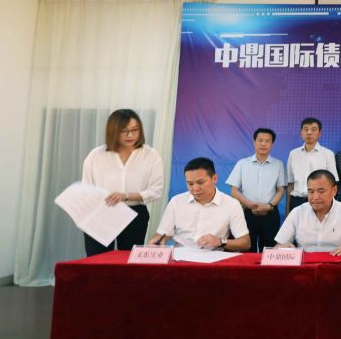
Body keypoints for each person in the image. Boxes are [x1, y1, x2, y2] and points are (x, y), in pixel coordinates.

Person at [81, 109, 164, 256]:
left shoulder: (151, 155)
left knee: (128, 261)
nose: (130, 135)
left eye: (134, 130)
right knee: (97, 261)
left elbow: (156, 190)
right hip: (100, 214)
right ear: (112, 131)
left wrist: (126, 196)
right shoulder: (96, 155)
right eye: (124, 131)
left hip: (134, 214)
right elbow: (86, 189)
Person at [149, 157, 250, 251]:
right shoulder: (176, 201)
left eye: (200, 182)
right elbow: (162, 234)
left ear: (214, 178)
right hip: (180, 257)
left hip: (213, 258)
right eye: (190, 184)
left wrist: (220, 241)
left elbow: (245, 243)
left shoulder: (231, 204)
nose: (195, 188)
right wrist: (157, 241)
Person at [274, 169, 341, 257]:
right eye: (311, 192)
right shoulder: (297, 212)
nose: (315, 197)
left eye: (321, 191)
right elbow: (279, 245)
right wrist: (281, 247)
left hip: (337, 265)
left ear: (334, 190)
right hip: (306, 265)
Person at [225, 127, 286, 252]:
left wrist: (268, 206)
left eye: (267, 141)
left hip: (270, 213)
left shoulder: (278, 164)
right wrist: (250, 206)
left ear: (272, 144)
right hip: (247, 213)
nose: (263, 144)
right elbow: (234, 191)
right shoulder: (242, 163)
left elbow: (281, 190)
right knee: (247, 249)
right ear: (254, 142)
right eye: (260, 140)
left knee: (269, 251)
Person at [286, 117, 338, 213]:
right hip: (297, 201)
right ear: (301, 133)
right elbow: (290, 184)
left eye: (313, 129)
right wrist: (287, 211)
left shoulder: (328, 154)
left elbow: (333, 182)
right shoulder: (293, 154)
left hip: (319, 201)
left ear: (320, 133)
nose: (309, 133)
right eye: (306, 129)